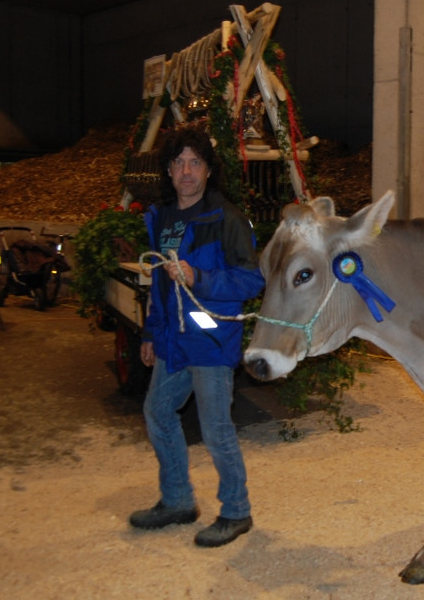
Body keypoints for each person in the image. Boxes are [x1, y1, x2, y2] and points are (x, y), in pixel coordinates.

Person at [129, 126, 265, 547]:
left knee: (215, 429)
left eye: (195, 163)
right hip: (173, 342)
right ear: (168, 171)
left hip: (211, 342)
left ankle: (236, 511)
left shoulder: (227, 218)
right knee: (158, 412)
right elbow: (159, 285)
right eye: (179, 163)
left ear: (208, 171)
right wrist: (151, 333)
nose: (186, 171)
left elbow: (251, 280)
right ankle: (177, 501)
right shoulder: (161, 218)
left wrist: (199, 277)